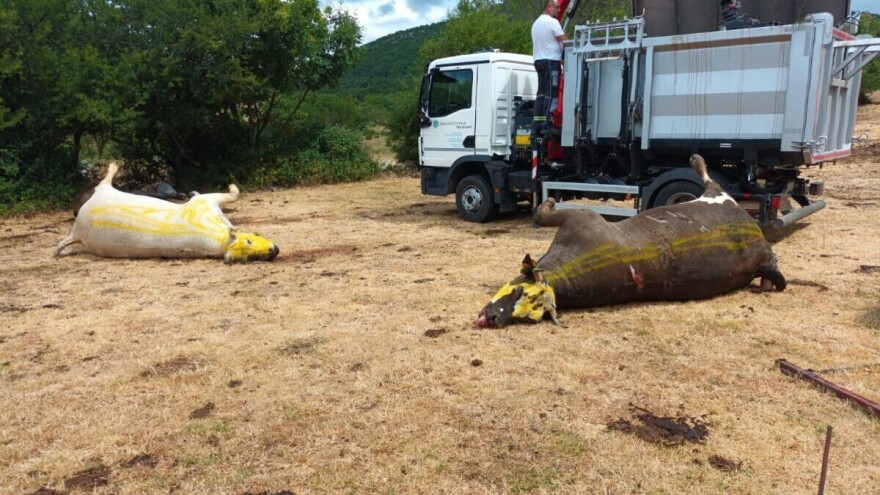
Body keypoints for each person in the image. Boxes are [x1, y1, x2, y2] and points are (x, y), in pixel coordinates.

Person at [531, 0, 567, 137]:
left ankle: (537, 124)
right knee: (552, 93)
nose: (558, 10)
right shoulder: (552, 22)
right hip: (551, 62)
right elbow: (565, 41)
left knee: (541, 94)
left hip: (539, 61)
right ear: (549, 7)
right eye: (556, 8)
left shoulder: (536, 23)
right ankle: (547, 123)